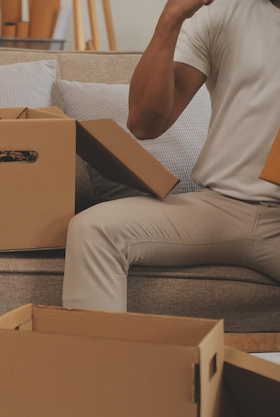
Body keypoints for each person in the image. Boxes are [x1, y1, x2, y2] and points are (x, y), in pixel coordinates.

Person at [62, 0, 280, 311]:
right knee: (93, 229)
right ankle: (102, 360)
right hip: (220, 206)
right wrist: (171, 19)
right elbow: (144, 124)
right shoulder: (222, 12)